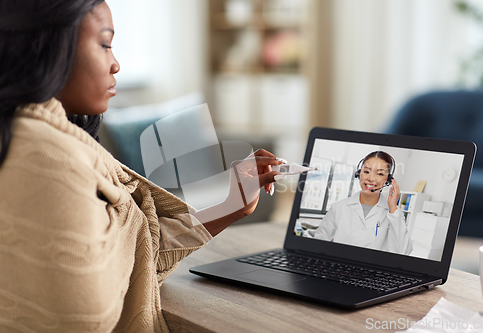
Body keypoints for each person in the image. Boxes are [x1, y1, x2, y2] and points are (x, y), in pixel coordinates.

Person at [0, 1, 281, 332]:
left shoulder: (32, 137)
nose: (115, 64)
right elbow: (84, 309)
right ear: (46, 45)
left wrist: (232, 206)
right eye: (105, 44)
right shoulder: (51, 159)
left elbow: (136, 255)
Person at [314, 151, 413, 255]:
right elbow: (318, 244)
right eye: (366, 171)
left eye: (380, 173)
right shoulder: (338, 208)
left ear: (388, 180)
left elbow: (403, 252)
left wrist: (393, 208)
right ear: (358, 173)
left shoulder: (393, 215)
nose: (371, 178)